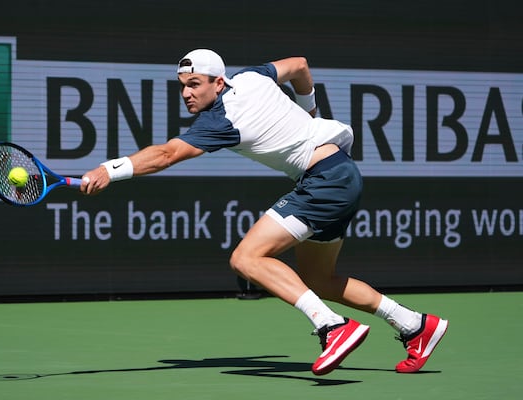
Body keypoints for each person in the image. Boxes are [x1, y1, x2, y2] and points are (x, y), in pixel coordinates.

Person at [80, 49, 448, 375]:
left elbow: (166, 155)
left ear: (217, 82)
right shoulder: (253, 76)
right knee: (318, 280)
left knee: (246, 258)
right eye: (182, 86)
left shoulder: (219, 121)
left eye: (195, 84)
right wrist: (310, 115)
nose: (187, 94)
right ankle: (414, 324)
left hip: (324, 181)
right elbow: (300, 65)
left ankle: (332, 327)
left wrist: (108, 171)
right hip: (343, 174)